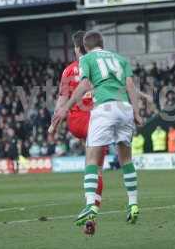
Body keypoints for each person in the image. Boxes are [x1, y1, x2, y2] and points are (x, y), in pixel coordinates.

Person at [52, 30, 142, 231]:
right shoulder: (120, 58)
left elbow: (84, 84)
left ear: (84, 46)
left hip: (104, 109)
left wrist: (66, 107)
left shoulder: (87, 59)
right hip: (125, 108)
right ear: (103, 43)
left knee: (92, 160)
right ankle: (133, 203)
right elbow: (130, 86)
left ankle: (91, 205)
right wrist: (137, 113)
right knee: (126, 160)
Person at [51, 30, 106, 208]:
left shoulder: (68, 70)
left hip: (76, 123)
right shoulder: (100, 66)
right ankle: (93, 207)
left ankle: (90, 202)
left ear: (77, 48)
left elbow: (62, 99)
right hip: (98, 120)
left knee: (88, 160)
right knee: (96, 167)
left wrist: (55, 120)